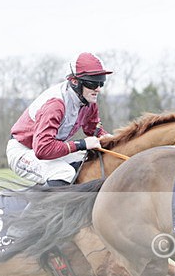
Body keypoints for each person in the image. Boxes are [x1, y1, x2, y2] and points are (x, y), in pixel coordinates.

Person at [7, 52, 111, 186]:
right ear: (74, 82)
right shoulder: (55, 104)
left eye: (101, 83)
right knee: (64, 173)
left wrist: (115, 140)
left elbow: (94, 130)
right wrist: (81, 144)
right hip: (24, 152)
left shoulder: (88, 102)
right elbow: (42, 149)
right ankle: (40, 207)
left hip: (50, 148)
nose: (98, 89)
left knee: (90, 161)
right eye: (92, 84)